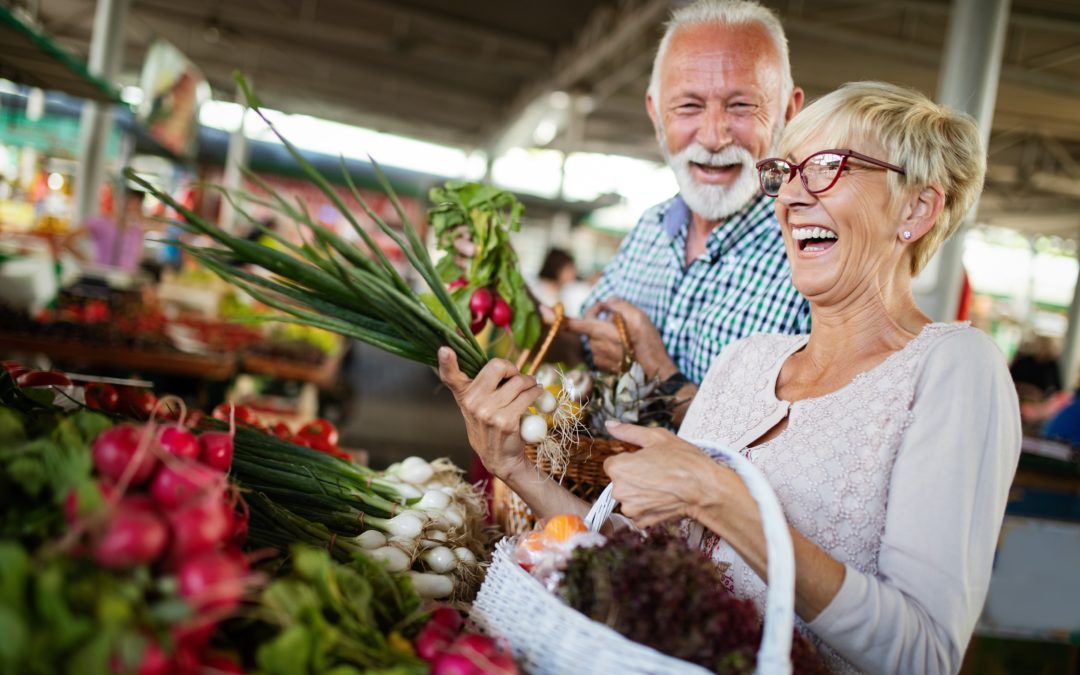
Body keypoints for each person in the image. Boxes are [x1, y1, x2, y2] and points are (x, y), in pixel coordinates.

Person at [439, 81, 1022, 674]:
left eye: (825, 167)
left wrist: (719, 498)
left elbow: (923, 655)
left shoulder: (952, 367)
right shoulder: (745, 361)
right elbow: (657, 570)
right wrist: (516, 467)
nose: (791, 196)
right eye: (785, 172)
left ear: (917, 208)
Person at [455, 0, 810, 413]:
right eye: (689, 106)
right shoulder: (650, 228)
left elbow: (796, 446)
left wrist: (654, 367)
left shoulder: (812, 250)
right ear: (655, 113)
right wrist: (515, 297)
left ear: (788, 111)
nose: (714, 137)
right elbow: (579, 354)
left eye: (742, 105)